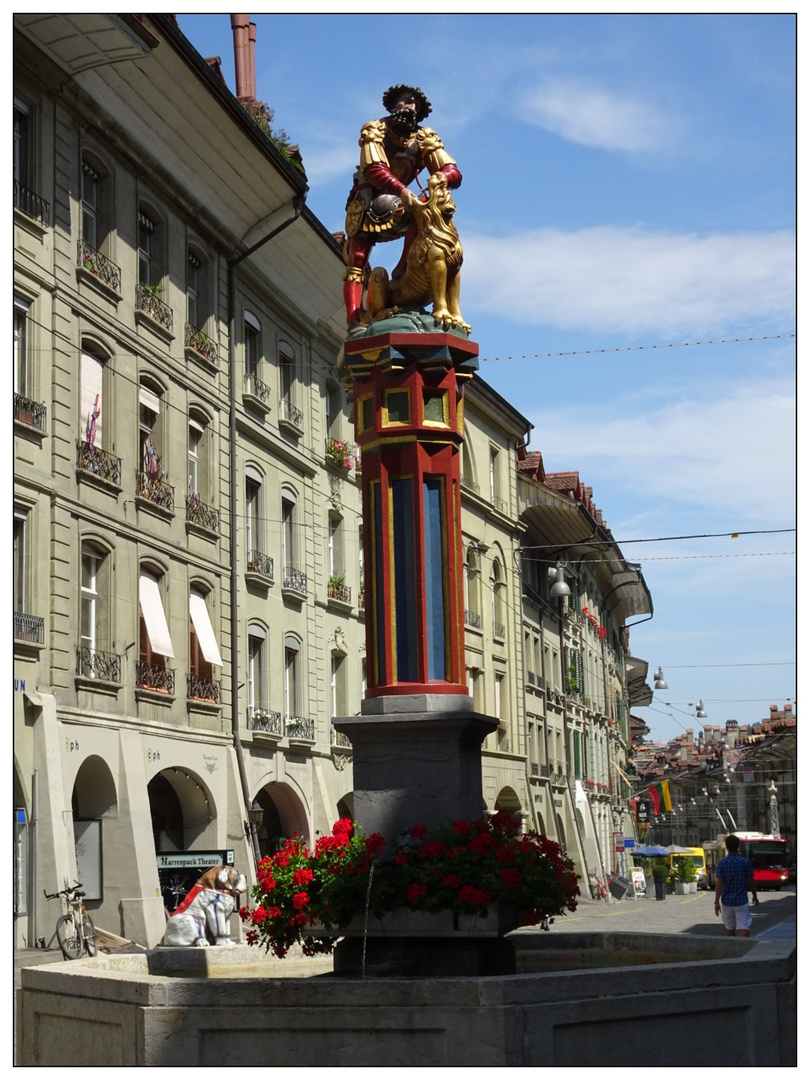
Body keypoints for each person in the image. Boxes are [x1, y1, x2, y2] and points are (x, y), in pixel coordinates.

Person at [342, 84, 461, 324]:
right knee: (357, 258)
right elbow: (374, 170)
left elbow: (453, 172)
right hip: (369, 199)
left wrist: (442, 176)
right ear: (393, 103)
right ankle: (354, 320)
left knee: (428, 210)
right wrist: (402, 190)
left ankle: (403, 271)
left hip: (404, 201)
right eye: (405, 100)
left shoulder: (424, 136)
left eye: (414, 103)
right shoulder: (375, 128)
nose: (409, 106)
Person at [714, 833, 758, 937]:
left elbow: (719, 884)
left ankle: (731, 949)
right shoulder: (745, 862)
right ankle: (743, 948)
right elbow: (751, 881)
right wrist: (754, 896)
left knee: (729, 927)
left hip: (727, 901)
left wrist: (716, 902)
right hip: (741, 900)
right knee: (744, 927)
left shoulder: (722, 863)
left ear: (727, 847)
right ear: (738, 846)